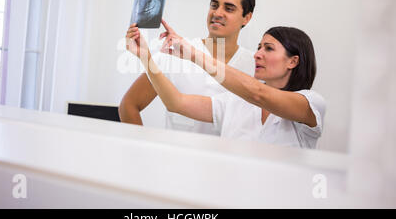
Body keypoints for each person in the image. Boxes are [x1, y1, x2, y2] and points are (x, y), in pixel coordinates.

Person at [125, 21, 326, 149]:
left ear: (293, 61)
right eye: (258, 47)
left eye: (269, 48)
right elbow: (176, 103)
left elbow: (258, 94)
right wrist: (146, 58)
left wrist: (194, 54)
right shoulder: (235, 102)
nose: (258, 54)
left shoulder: (311, 104)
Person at [119, 0, 257, 135]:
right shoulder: (175, 54)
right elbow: (128, 105)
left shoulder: (255, 66)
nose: (218, 13)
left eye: (229, 8)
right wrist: (140, 149)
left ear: (246, 18)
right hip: (178, 158)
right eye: (214, 5)